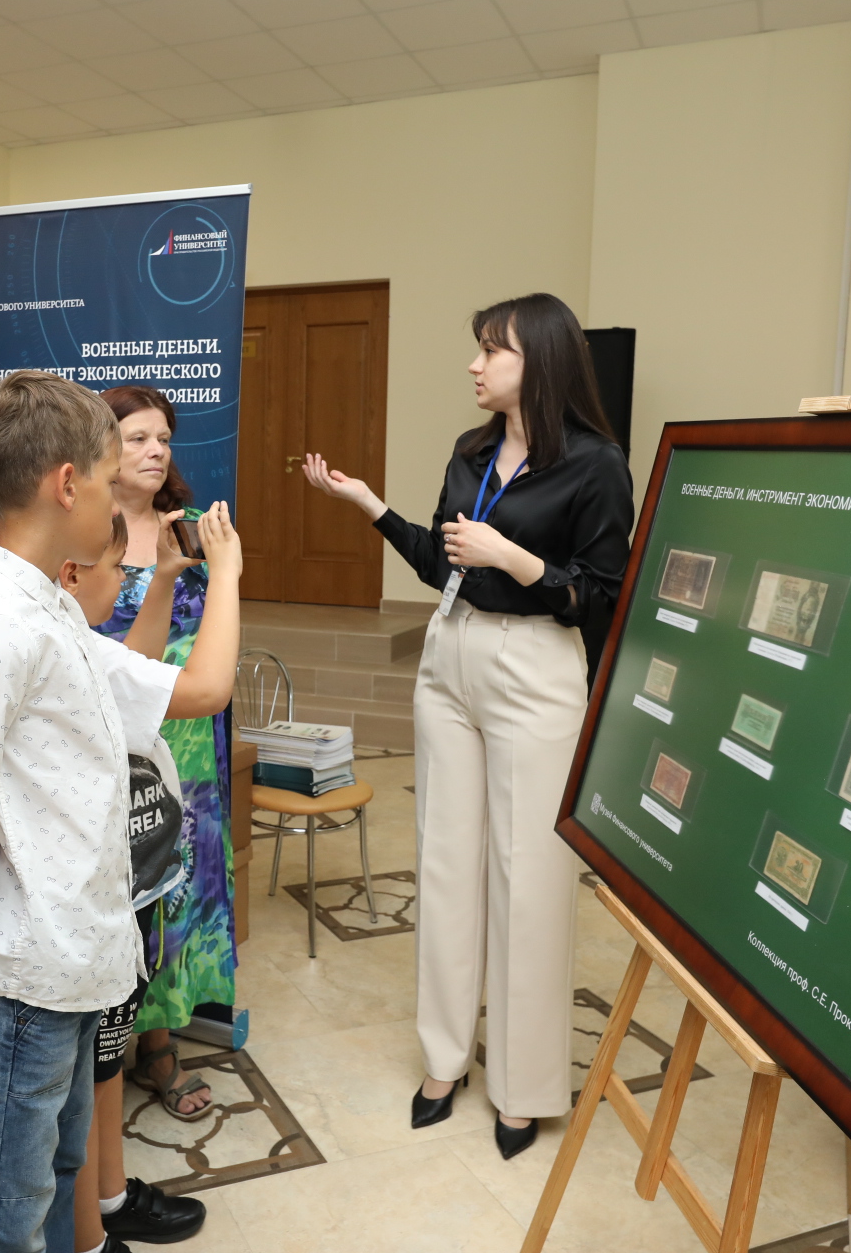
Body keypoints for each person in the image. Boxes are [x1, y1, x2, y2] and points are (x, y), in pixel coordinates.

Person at [0, 371, 236, 1253]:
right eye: (107, 466)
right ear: (67, 484)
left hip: (74, 953)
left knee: (50, 1177)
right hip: (23, 970)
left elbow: (168, 698)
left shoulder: (44, 607)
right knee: (5, 1205)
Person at [302, 292, 633, 1161]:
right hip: (448, 658)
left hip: (534, 668)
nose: (476, 365)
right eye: (479, 350)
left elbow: (598, 594)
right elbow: (441, 558)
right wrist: (371, 505)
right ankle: (444, 1060)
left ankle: (523, 1089)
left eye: (494, 350)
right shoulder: (471, 451)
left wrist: (512, 557)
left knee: (528, 880)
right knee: (446, 863)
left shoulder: (596, 465)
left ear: (543, 362)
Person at [61, 511, 236, 1253]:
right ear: (72, 574)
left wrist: (163, 577)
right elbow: (203, 688)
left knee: (102, 1054)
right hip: (66, 915)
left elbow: (137, 671)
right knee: (68, 1087)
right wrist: (224, 574)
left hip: (103, 894)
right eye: (114, 570)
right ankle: (90, 1235)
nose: (120, 581)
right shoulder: (58, 639)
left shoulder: (59, 627)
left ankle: (107, 1198)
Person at [92, 386, 232, 1122]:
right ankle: (113, 1044)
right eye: (138, 437)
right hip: (122, 740)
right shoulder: (86, 534)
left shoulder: (188, 530)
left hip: (193, 738)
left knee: (183, 890)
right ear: (103, 447)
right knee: (133, 888)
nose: (155, 451)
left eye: (164, 439)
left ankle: (162, 1044)